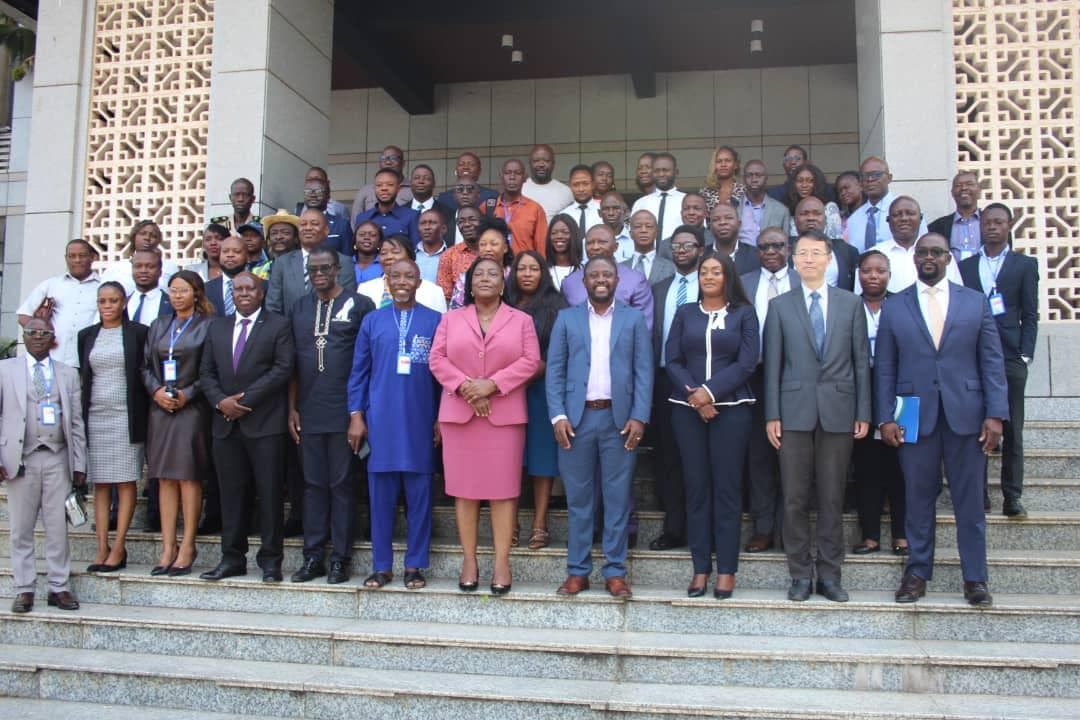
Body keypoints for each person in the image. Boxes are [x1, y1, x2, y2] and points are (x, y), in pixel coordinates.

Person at [876, 233, 1008, 607]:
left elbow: (992, 361)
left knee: (970, 502)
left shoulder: (974, 302)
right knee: (917, 498)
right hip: (913, 413)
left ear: (949, 258)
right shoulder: (895, 306)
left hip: (967, 413)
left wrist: (996, 414)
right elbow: (885, 367)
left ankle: (975, 578)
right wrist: (885, 417)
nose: (929, 257)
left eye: (937, 252)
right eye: (923, 252)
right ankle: (917, 573)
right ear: (914, 259)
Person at [764, 230, 871, 603]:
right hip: (793, 413)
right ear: (794, 260)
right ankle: (799, 574)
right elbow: (773, 365)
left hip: (839, 411)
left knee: (831, 497)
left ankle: (829, 574)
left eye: (816, 253)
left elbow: (861, 361)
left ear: (829, 259)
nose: (808, 259)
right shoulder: (780, 306)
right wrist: (772, 414)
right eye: (802, 253)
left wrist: (863, 410)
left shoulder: (850, 304)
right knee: (794, 497)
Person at [430, 257, 541, 595]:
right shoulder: (451, 319)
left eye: (493, 274)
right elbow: (437, 359)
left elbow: (531, 361)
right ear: (469, 284)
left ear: (503, 284)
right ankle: (469, 560)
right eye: (478, 274)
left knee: (503, 491)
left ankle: (502, 562)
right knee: (464, 491)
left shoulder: (521, 320)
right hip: (460, 415)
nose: (485, 278)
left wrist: (492, 385)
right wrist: (467, 387)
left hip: (503, 416)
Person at [548, 256, 652, 599]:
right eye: (594, 275)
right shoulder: (567, 319)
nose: (601, 279)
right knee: (579, 501)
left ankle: (615, 572)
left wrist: (639, 416)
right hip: (576, 422)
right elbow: (555, 371)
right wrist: (557, 416)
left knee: (617, 499)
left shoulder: (633, 319)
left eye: (607, 274)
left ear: (617, 280)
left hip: (619, 421)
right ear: (585, 281)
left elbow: (643, 371)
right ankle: (577, 571)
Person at [666, 253, 757, 598]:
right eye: (703, 271)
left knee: (727, 489)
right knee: (696, 488)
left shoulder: (744, 314)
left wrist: (710, 392)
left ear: (728, 276)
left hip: (731, 410)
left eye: (715, 271)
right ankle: (700, 568)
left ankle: (727, 570)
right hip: (686, 409)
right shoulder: (685, 313)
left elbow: (747, 362)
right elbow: (672, 359)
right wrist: (695, 396)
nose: (708, 276)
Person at [348, 258, 440, 589]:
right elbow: (359, 372)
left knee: (420, 498)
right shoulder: (372, 321)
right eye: (395, 276)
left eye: (409, 276)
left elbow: (443, 377)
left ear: (419, 282)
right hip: (380, 421)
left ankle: (414, 565)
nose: (402, 281)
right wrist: (356, 415)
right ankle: (382, 566)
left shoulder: (436, 320)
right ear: (387, 282)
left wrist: (441, 418)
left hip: (420, 420)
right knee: (380, 500)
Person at [198, 272, 294, 583]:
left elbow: (282, 368)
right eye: (238, 289)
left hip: (264, 423)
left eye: (249, 288)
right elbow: (206, 372)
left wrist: (244, 400)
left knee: (269, 495)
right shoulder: (218, 326)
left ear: (261, 293)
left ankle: (271, 561)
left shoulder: (278, 325)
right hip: (225, 425)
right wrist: (220, 402)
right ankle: (232, 558)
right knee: (231, 495)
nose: (243, 293)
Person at [290, 245, 376, 585]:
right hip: (309, 411)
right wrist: (291, 408)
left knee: (341, 485)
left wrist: (359, 414)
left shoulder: (360, 305)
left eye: (325, 268)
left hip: (345, 411)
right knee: (312, 485)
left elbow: (368, 363)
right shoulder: (299, 307)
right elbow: (292, 364)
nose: (319, 274)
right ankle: (313, 557)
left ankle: (341, 558)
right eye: (313, 269)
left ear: (338, 269)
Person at [1, 318, 87, 614]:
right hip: (20, 457)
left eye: (44, 333)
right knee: (20, 528)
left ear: (53, 338)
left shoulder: (67, 374)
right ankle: (24, 589)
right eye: (32, 332)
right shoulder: (5, 370)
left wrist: (79, 462)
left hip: (57, 457)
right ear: (24, 337)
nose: (37, 337)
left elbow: (76, 421)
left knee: (57, 527)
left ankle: (59, 587)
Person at [959, 203, 1038, 518]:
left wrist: (1025, 354)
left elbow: (1030, 313)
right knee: (975, 426)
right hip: (974, 356)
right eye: (987, 222)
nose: (992, 227)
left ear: (1009, 225)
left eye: (999, 222)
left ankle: (1012, 496)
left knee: (1012, 430)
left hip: (1010, 356)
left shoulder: (1024, 264)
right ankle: (979, 495)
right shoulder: (966, 266)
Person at [141, 270, 214, 577]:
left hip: (191, 409)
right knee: (164, 478)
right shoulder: (159, 325)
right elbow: (145, 366)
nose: (177, 296)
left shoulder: (208, 325)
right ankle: (168, 546)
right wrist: (156, 391)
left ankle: (188, 545)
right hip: (160, 409)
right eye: (172, 291)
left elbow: (210, 369)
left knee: (188, 476)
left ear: (196, 293)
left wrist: (188, 394)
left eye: (183, 290)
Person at [78, 281, 149, 573]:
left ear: (124, 303)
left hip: (126, 417)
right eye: (103, 301)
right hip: (96, 417)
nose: (108, 306)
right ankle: (101, 546)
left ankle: (119, 546)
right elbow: (84, 376)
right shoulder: (86, 335)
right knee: (101, 483)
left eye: (113, 301)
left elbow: (145, 372)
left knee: (125, 480)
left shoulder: (138, 333)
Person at [740, 227, 800, 553]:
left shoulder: (804, 281)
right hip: (755, 377)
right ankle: (763, 527)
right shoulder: (744, 283)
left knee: (795, 454)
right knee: (759, 455)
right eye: (764, 247)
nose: (771, 252)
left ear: (788, 248)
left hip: (796, 377)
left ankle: (791, 528)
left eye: (777, 245)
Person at [648, 225, 706, 551]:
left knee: (700, 458)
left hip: (703, 383)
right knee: (668, 457)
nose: (681, 250)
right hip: (664, 380)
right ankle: (674, 528)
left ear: (701, 249)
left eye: (688, 245)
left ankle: (702, 529)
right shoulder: (659, 288)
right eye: (676, 245)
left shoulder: (712, 284)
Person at [508, 250, 569, 550]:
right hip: (506, 392)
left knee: (541, 457)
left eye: (534, 269)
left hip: (542, 390)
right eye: (522, 269)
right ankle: (511, 523)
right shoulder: (504, 302)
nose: (528, 274)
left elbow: (559, 353)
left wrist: (522, 374)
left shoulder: (557, 305)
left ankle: (540, 523)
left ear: (543, 273)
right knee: (510, 458)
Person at [850, 250, 907, 556]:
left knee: (900, 465)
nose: (873, 276)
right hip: (859, 393)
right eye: (867, 270)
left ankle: (902, 534)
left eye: (880, 271)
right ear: (858, 274)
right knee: (866, 466)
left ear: (889, 275)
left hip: (900, 392)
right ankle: (870, 535)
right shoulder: (848, 305)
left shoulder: (903, 305)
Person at [17, 239, 101, 367]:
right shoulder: (51, 285)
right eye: (72, 256)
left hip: (87, 360)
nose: (77, 260)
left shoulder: (102, 287)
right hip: (54, 358)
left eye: (82, 255)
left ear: (92, 257)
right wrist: (42, 335)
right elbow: (23, 316)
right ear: (66, 258)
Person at [858, 196, 961, 294]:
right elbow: (860, 297)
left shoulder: (940, 253)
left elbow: (957, 293)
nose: (904, 218)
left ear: (920, 218)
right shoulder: (873, 255)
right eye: (897, 215)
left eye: (910, 213)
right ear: (888, 220)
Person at [561, 224, 655, 330]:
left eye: (602, 242)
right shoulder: (569, 283)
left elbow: (643, 328)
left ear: (616, 246)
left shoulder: (636, 280)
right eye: (590, 243)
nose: (595, 247)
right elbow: (564, 326)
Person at [266, 208, 356, 315]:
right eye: (303, 224)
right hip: (289, 325)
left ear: (326, 230)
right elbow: (273, 306)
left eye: (314, 224)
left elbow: (346, 302)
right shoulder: (282, 263)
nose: (308, 228)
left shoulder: (343, 261)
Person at [846, 157, 928, 251]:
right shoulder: (853, 220)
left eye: (877, 174)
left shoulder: (908, 211)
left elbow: (924, 246)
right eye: (865, 176)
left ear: (889, 178)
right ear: (860, 183)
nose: (870, 179)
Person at [357, 234, 448, 312]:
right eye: (383, 253)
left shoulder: (433, 291)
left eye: (395, 252)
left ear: (410, 257)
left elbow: (440, 324)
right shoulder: (365, 289)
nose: (389, 257)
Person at [793, 196, 859, 291]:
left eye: (817, 213)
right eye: (804, 213)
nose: (811, 218)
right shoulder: (784, 251)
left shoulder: (847, 251)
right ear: (795, 220)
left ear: (825, 219)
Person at [449, 217, 513, 310]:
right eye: (483, 244)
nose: (488, 249)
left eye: (494, 244)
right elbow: (455, 311)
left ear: (505, 248)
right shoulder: (466, 277)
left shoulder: (514, 275)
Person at [493, 158, 547, 257]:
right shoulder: (489, 207)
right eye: (508, 173)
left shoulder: (535, 209)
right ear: (501, 177)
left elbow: (541, 248)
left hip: (525, 265)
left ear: (525, 178)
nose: (512, 177)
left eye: (517, 173)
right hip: (496, 265)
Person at [354, 168, 420, 246]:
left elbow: (415, 248)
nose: (384, 188)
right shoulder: (362, 218)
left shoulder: (412, 216)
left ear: (398, 189)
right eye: (379, 185)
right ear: (374, 189)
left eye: (390, 185)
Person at [930, 171, 982, 262]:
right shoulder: (937, 227)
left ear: (979, 190)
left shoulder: (992, 223)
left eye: (969, 184)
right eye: (958, 185)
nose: (964, 188)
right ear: (952, 192)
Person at [631, 152, 685, 241]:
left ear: (676, 172)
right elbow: (633, 233)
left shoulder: (686, 201)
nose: (661, 174)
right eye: (657, 171)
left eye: (665, 170)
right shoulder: (640, 203)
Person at [350, 145, 413, 220]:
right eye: (383, 158)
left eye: (393, 158)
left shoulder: (413, 190)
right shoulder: (365, 191)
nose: (388, 162)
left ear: (403, 163)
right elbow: (356, 221)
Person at [737, 160, 791, 246]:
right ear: (744, 178)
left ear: (766, 178)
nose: (754, 179)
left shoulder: (781, 210)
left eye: (758, 175)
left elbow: (785, 244)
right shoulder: (734, 207)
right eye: (749, 175)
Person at [436, 205, 483, 300]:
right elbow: (445, 296)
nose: (467, 224)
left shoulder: (493, 250)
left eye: (472, 219)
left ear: (483, 222)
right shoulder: (449, 255)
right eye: (461, 221)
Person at [784, 164, 842, 240]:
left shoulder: (829, 208)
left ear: (817, 184)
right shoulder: (787, 210)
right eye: (800, 181)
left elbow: (836, 239)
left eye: (810, 181)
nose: (804, 185)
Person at [621, 210, 676, 286]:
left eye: (649, 226)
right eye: (638, 226)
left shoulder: (671, 268)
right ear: (630, 233)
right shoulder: (619, 269)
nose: (643, 230)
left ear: (656, 233)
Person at [707, 201, 761, 276]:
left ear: (739, 224)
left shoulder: (756, 255)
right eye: (716, 219)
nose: (722, 222)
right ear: (710, 227)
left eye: (729, 218)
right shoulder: (701, 256)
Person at [301, 176, 352, 256]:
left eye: (319, 191)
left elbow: (347, 257)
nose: (313, 195)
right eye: (308, 191)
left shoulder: (342, 225)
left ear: (328, 196)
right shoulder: (298, 224)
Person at [205, 234, 252, 317]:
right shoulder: (206, 288)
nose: (230, 255)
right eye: (225, 251)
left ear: (248, 257)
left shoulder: (262, 286)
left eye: (237, 251)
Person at [522, 144, 573, 220]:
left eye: (546, 161)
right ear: (529, 163)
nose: (541, 164)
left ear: (553, 164)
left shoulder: (565, 192)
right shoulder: (520, 189)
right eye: (536, 161)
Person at [128, 248, 175, 324]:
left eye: (150, 266)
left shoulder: (173, 304)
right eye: (138, 266)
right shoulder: (123, 303)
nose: (143, 271)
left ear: (160, 272)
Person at [252, 209, 302, 280]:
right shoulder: (258, 271)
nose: (279, 237)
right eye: (274, 233)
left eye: (285, 232)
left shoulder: (305, 267)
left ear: (296, 238)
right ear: (268, 240)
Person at [700, 145, 746, 212]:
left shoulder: (744, 191)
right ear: (714, 165)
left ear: (735, 165)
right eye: (719, 161)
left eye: (728, 161)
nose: (723, 164)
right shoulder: (705, 193)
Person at [559, 165, 601, 235]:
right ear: (570, 186)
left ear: (593, 185)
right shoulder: (563, 215)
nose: (581, 189)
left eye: (585, 184)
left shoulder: (603, 211)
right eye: (576, 184)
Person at [545, 214, 583, 290]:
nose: (559, 236)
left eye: (565, 232)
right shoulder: (543, 271)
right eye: (554, 233)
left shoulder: (583, 271)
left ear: (574, 235)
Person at [416, 208, 448, 283]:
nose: (427, 227)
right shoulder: (410, 256)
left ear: (443, 229)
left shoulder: (452, 257)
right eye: (423, 223)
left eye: (432, 223)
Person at [600, 191, 633, 260]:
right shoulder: (589, 242)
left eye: (616, 208)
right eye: (606, 209)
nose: (611, 213)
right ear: (599, 213)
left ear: (625, 212)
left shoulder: (635, 240)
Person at [834, 171, 864, 243]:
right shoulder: (840, 218)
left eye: (846, 188)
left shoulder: (870, 213)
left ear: (860, 186)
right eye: (840, 191)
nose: (843, 193)